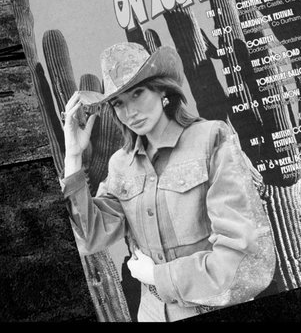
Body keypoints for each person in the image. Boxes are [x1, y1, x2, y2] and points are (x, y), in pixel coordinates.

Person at [61, 42, 276, 322]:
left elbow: (245, 261)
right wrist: (73, 156)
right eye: (118, 103)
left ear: (162, 89)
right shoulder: (120, 164)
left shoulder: (211, 139)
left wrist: (158, 276)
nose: (130, 113)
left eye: (137, 93)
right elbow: (87, 238)